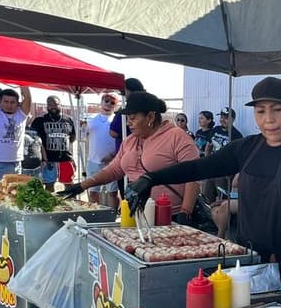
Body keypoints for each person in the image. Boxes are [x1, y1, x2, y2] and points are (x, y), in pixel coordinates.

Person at [126, 78, 281, 280]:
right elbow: (198, 168)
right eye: (260, 111)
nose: (269, 119)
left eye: (278, 110)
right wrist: (151, 178)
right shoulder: (247, 148)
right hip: (250, 261)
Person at [61, 91, 200, 218]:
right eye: (127, 118)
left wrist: (185, 212)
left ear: (150, 116)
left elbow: (193, 176)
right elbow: (114, 169)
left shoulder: (177, 137)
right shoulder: (130, 141)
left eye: (133, 118)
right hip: (136, 214)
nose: (128, 123)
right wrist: (82, 186)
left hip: (171, 217)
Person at [0, 80, 32, 178]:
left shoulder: (21, 114)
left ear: (18, 103)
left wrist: (22, 79)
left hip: (16, 162)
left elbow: (28, 98)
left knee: (14, 191)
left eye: (12, 102)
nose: (9, 105)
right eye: (6, 102)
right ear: (0, 102)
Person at [29, 95, 76, 187]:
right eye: (50, 105)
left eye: (55, 104)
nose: (53, 107)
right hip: (48, 159)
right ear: (47, 106)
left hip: (65, 159)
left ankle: (70, 201)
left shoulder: (68, 120)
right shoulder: (40, 121)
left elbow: (72, 138)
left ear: (60, 105)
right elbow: (34, 140)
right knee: (49, 185)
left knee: (69, 185)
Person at [85, 93, 121, 208]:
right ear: (101, 102)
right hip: (93, 161)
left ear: (115, 106)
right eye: (106, 101)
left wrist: (112, 156)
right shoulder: (90, 120)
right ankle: (95, 215)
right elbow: (82, 136)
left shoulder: (117, 121)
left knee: (112, 193)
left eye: (112, 103)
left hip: (111, 162)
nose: (108, 105)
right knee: (93, 192)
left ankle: (113, 215)